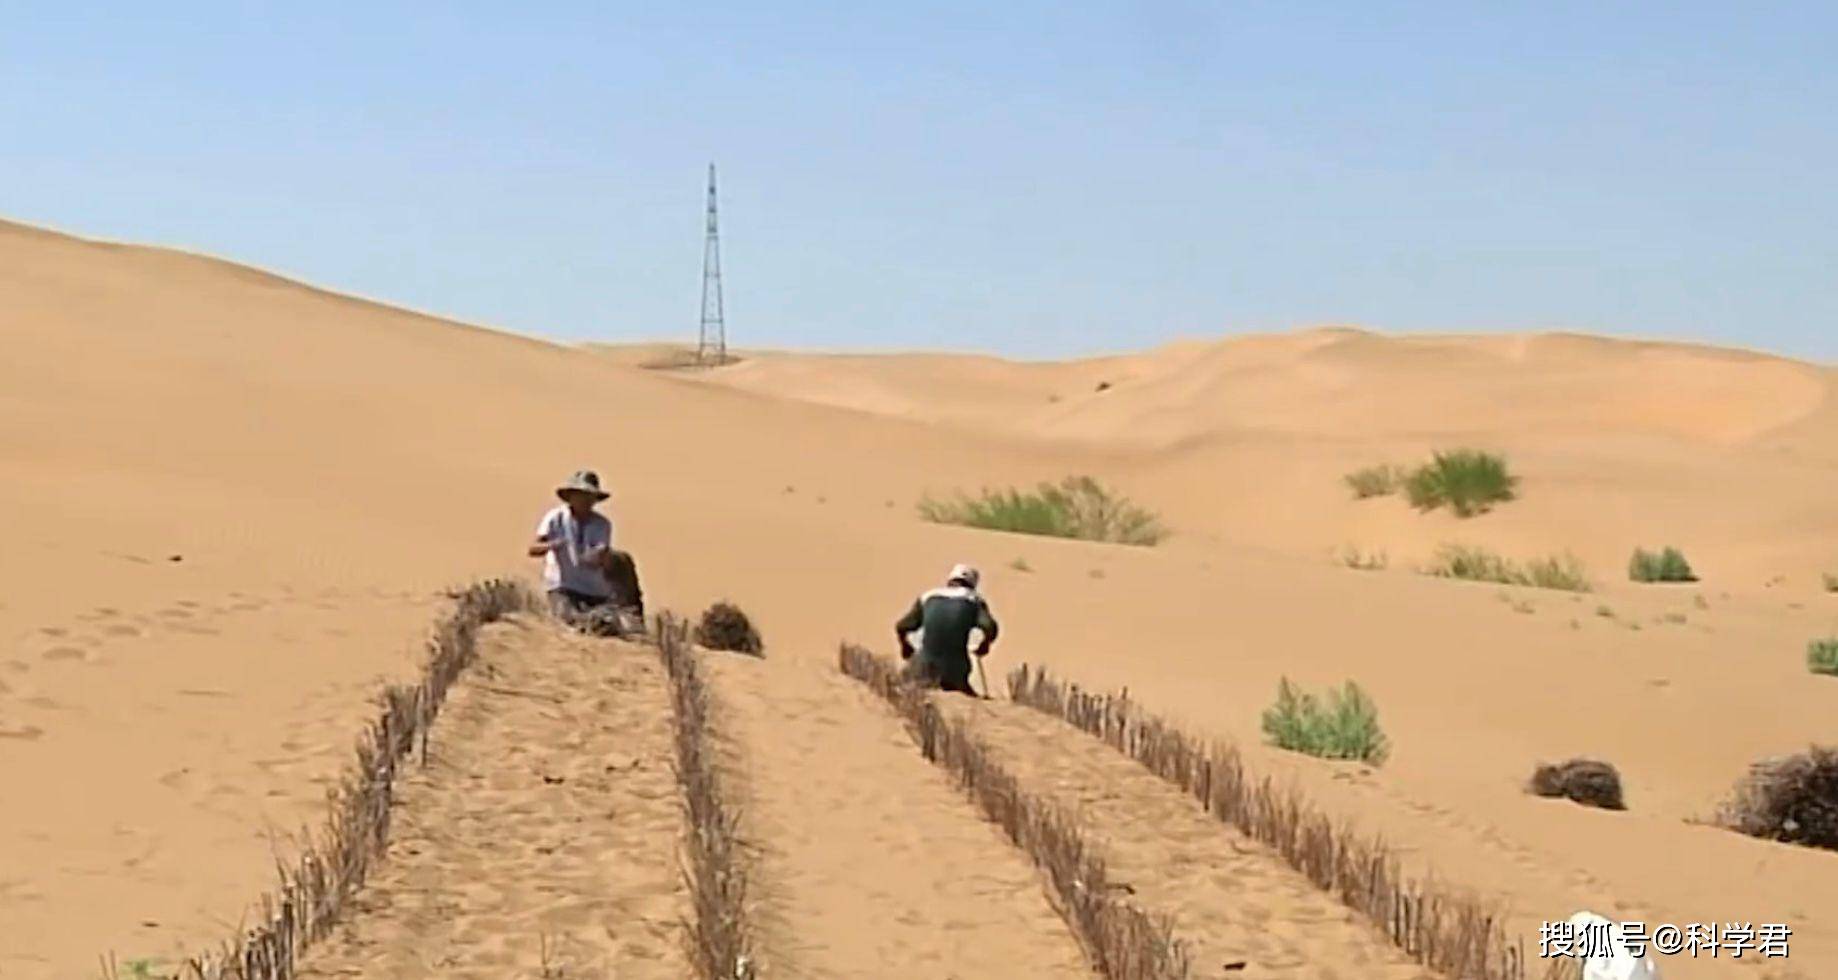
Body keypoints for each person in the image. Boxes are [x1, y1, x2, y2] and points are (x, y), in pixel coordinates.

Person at [529, 470, 644, 634]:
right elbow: (533, 549)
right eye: (581, 495)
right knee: (571, 621)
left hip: (594, 590)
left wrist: (601, 557)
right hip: (563, 587)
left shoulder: (602, 524)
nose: (585, 500)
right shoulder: (555, 518)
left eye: (589, 496)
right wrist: (553, 545)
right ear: (571, 496)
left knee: (609, 622)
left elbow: (600, 557)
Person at [894, 563, 999, 696]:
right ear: (973, 584)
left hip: (923, 666)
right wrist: (985, 645)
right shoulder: (974, 600)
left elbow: (901, 626)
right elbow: (990, 627)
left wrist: (905, 645)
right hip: (955, 670)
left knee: (902, 683)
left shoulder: (928, 597)